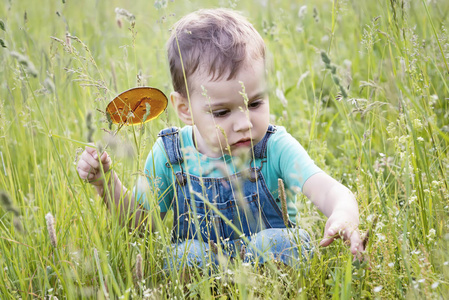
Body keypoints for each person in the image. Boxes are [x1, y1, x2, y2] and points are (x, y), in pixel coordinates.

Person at [76, 8, 364, 271]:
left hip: (270, 262)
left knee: (280, 243)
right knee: (185, 255)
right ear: (185, 109)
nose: (245, 123)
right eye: (223, 111)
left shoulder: (274, 147)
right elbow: (140, 223)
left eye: (254, 103)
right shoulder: (170, 154)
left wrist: (344, 215)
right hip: (204, 267)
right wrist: (106, 183)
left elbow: (329, 191)